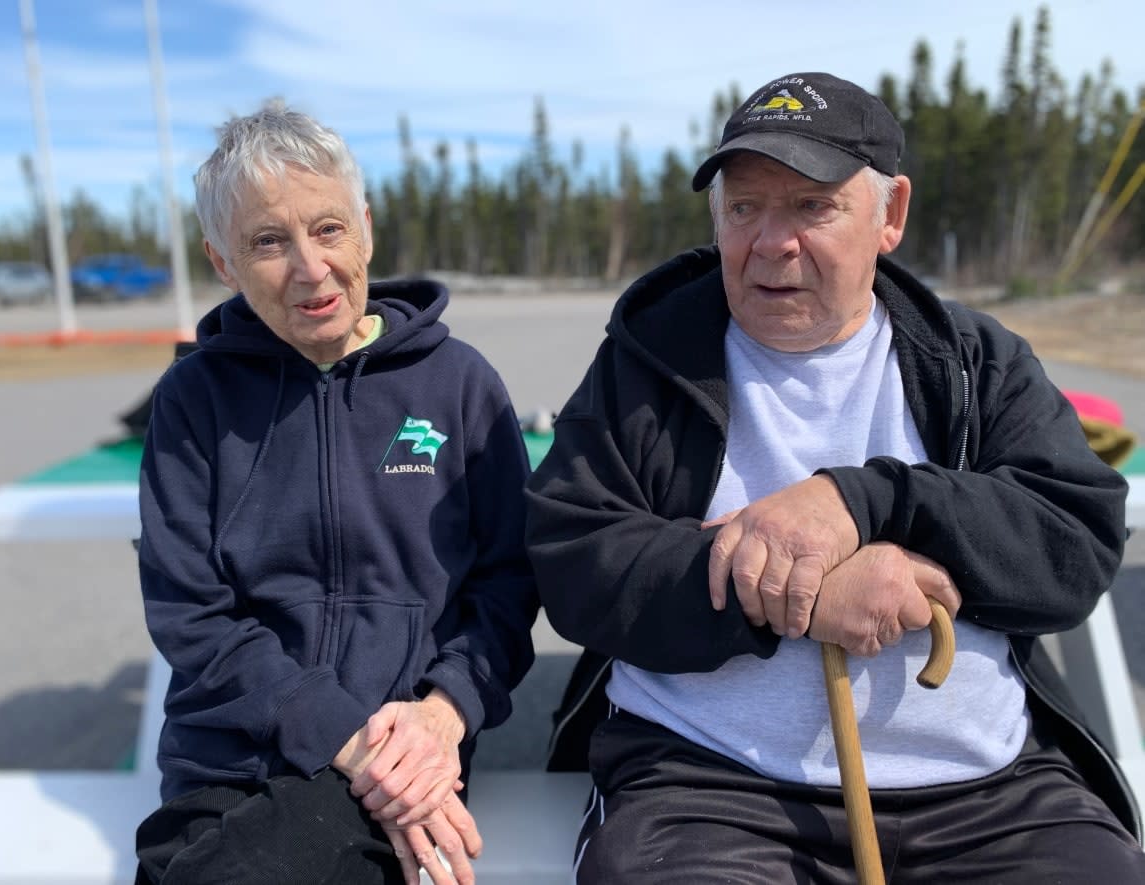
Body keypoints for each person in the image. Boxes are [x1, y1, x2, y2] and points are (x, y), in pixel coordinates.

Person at [525, 71, 1144, 883]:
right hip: (710, 787)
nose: (770, 241)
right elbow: (576, 559)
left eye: (811, 206)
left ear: (890, 216)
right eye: (745, 207)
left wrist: (867, 502)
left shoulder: (973, 361)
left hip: (988, 791)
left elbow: (1076, 535)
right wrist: (804, 592)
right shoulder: (650, 360)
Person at [134, 101, 539, 885]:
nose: (310, 267)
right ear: (224, 264)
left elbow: (511, 582)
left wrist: (444, 711)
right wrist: (347, 738)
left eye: (327, 229)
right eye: (268, 242)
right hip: (231, 756)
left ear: (366, 229)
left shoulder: (458, 384)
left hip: (407, 748)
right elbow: (193, 616)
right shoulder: (194, 399)